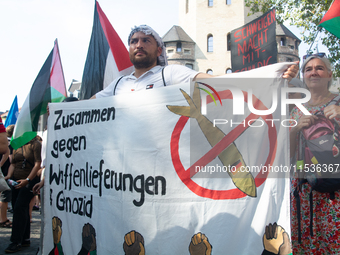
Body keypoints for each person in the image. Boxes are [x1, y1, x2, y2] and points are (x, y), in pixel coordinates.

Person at [91, 25, 299, 99]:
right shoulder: (119, 84)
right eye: (134, 41)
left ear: (160, 49)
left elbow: (214, 81)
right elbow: (85, 108)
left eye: (146, 41)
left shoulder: (170, 74)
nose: (139, 45)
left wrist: (272, 75)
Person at [289, 54, 340, 254]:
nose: (313, 72)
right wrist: (294, 130)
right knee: (306, 246)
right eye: (308, 69)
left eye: (319, 68)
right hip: (304, 192)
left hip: (335, 192)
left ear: (329, 74)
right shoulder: (296, 111)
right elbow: (289, 158)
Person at [4, 136, 42, 253]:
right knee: (20, 209)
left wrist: (28, 180)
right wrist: (9, 176)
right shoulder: (17, 144)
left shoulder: (35, 144)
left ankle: (16, 241)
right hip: (16, 181)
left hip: (29, 182)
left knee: (20, 208)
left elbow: (38, 163)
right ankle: (25, 238)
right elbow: (13, 164)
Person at [0, 125, 14, 228]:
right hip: (4, 173)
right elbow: (7, 153)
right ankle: (3, 219)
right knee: (4, 196)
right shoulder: (11, 143)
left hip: (4, 172)